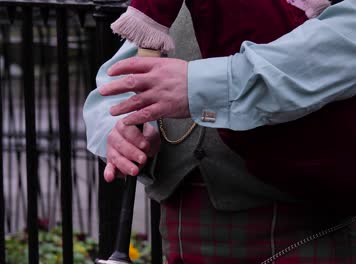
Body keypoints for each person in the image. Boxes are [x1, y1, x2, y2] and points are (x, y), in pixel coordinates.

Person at [84, 0, 356, 263]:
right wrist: (120, 130)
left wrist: (200, 85)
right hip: (183, 219)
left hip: (306, 217)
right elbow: (121, 78)